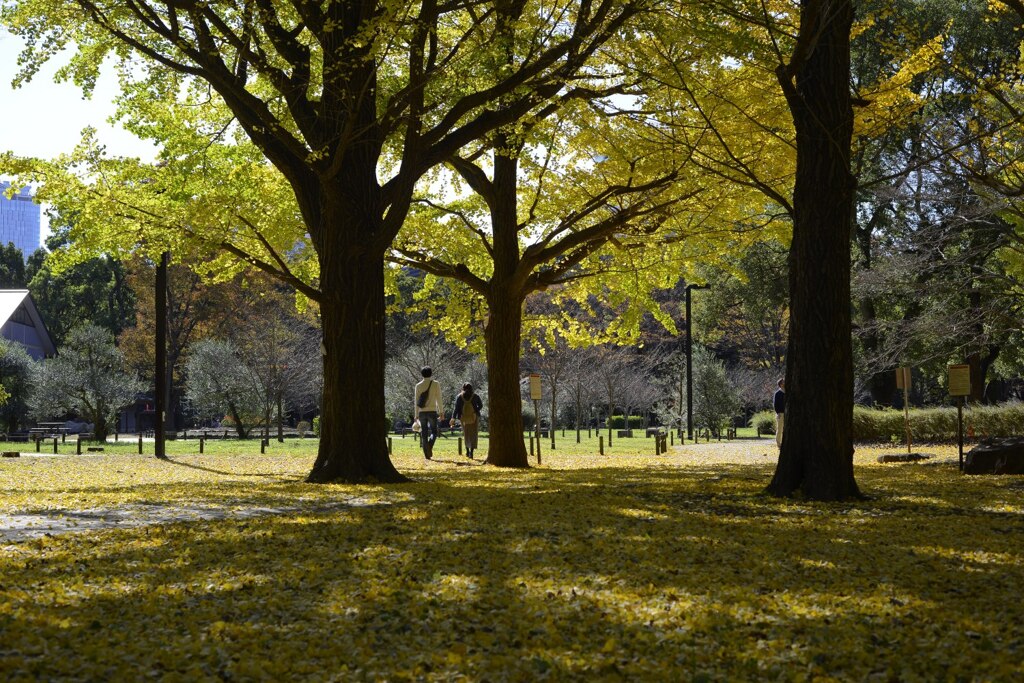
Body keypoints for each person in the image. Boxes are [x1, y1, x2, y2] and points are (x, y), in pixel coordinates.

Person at [414, 366, 443, 459]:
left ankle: (427, 452)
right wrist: (441, 412)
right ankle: (429, 447)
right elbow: (439, 399)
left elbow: (416, 402)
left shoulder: (418, 385)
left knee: (424, 433)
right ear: (431, 373)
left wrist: (416, 414)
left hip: (422, 412)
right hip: (432, 411)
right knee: (434, 431)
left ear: (422, 374)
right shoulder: (435, 384)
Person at [452, 383, 484, 459]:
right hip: (474, 417)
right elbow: (481, 405)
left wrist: (453, 417)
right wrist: (475, 411)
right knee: (473, 435)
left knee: (466, 434)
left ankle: (467, 451)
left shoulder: (459, 397)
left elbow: (456, 408)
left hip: (463, 418)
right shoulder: (475, 396)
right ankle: (471, 452)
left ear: (463, 388)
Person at [773, 378, 785, 448]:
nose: (785, 383)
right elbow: (775, 404)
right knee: (780, 429)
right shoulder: (777, 393)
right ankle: (779, 444)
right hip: (780, 413)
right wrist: (778, 413)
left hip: (787, 413)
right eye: (783, 382)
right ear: (780, 384)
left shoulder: (788, 392)